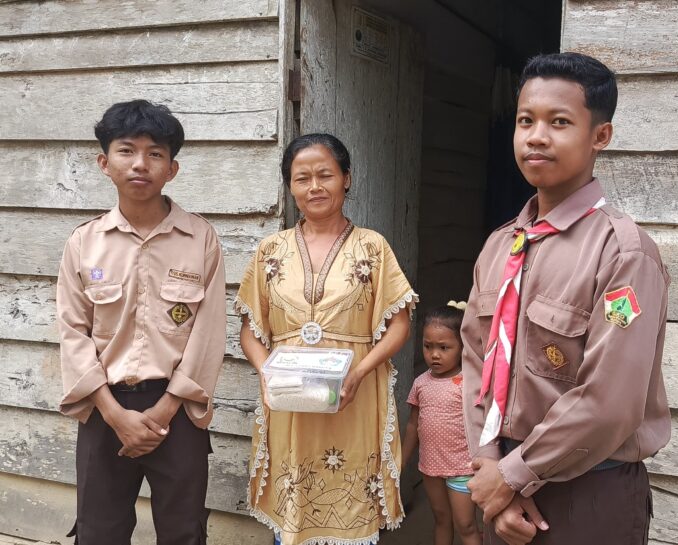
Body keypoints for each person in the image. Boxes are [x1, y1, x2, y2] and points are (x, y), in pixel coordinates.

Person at [462, 52, 672, 545]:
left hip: (587, 495)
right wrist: (490, 466)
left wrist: (514, 475)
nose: (536, 136)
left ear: (601, 136)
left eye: (559, 122)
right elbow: (477, 362)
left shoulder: (623, 253)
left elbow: (610, 401)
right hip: (501, 490)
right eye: (525, 121)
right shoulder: (500, 246)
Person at [56, 99, 227, 544]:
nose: (140, 164)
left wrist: (165, 409)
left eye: (155, 154)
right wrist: (114, 414)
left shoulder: (200, 238)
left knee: (184, 531)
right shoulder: (84, 243)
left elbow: (208, 333)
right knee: (99, 531)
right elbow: (73, 332)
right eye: (126, 150)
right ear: (104, 162)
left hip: (178, 411)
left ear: (172, 169)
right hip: (104, 409)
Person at [236, 133, 417, 545]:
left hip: (355, 395)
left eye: (325, 175)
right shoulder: (270, 250)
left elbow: (400, 325)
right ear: (290, 186)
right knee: (294, 505)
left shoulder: (372, 247)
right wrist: (267, 373)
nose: (314, 187)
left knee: (350, 503)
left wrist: (360, 372)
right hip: (289, 399)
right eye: (302, 178)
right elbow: (250, 329)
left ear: (346, 179)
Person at [402, 302, 481, 545]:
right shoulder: (420, 383)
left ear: (462, 347)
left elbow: (482, 422)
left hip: (463, 467)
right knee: (441, 519)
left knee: (466, 525)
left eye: (444, 347)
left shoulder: (469, 383)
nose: (434, 354)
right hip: (431, 467)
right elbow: (413, 425)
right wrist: (402, 459)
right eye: (428, 346)